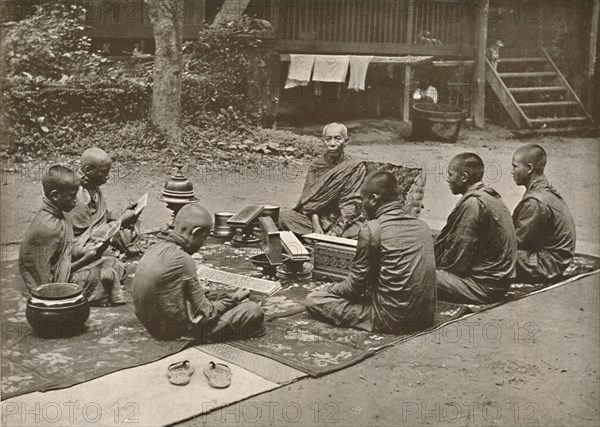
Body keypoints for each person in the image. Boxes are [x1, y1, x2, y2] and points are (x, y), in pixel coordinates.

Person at [305, 171, 437, 333]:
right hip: (425, 317)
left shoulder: (372, 229)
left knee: (314, 299)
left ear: (374, 199)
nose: (362, 207)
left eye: (363, 201)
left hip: (392, 320)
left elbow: (355, 288)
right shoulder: (423, 227)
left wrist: (328, 289)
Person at [132, 204, 265, 341]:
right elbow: (207, 313)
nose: (203, 244)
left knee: (214, 295)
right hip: (174, 333)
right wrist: (235, 297)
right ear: (195, 232)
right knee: (252, 310)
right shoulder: (182, 259)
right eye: (204, 237)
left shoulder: (155, 248)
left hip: (152, 325)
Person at [19, 165, 126, 305]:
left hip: (66, 270)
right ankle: (102, 296)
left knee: (114, 263)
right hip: (55, 286)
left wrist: (85, 250)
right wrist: (85, 260)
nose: (76, 200)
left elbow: (65, 250)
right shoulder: (48, 227)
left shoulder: (58, 215)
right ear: (55, 196)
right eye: (72, 195)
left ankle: (104, 290)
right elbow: (49, 284)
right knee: (108, 274)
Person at [435, 153, 517, 304]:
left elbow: (457, 261)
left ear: (464, 177)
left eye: (450, 175)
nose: (448, 179)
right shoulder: (487, 195)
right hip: (496, 281)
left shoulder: (473, 204)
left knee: (416, 274)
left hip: (484, 287)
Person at [279, 122, 367, 239]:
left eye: (337, 139)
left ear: (346, 142)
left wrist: (336, 229)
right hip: (318, 218)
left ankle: (316, 239)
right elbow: (309, 201)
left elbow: (351, 204)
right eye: (328, 139)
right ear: (323, 142)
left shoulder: (355, 166)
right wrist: (316, 224)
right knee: (285, 217)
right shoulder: (316, 166)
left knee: (361, 229)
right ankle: (327, 240)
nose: (332, 144)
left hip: (345, 219)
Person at [511, 144, 576, 281]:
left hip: (546, 262)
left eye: (515, 166)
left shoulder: (535, 203)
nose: (512, 171)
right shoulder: (544, 189)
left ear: (529, 168)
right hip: (555, 257)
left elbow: (515, 241)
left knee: (494, 256)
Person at [67, 147, 140, 257]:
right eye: (104, 172)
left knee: (131, 224)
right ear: (88, 170)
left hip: (96, 234)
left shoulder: (92, 185)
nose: (108, 176)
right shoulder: (75, 195)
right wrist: (120, 221)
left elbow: (100, 217)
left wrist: (121, 213)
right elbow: (87, 235)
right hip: (78, 247)